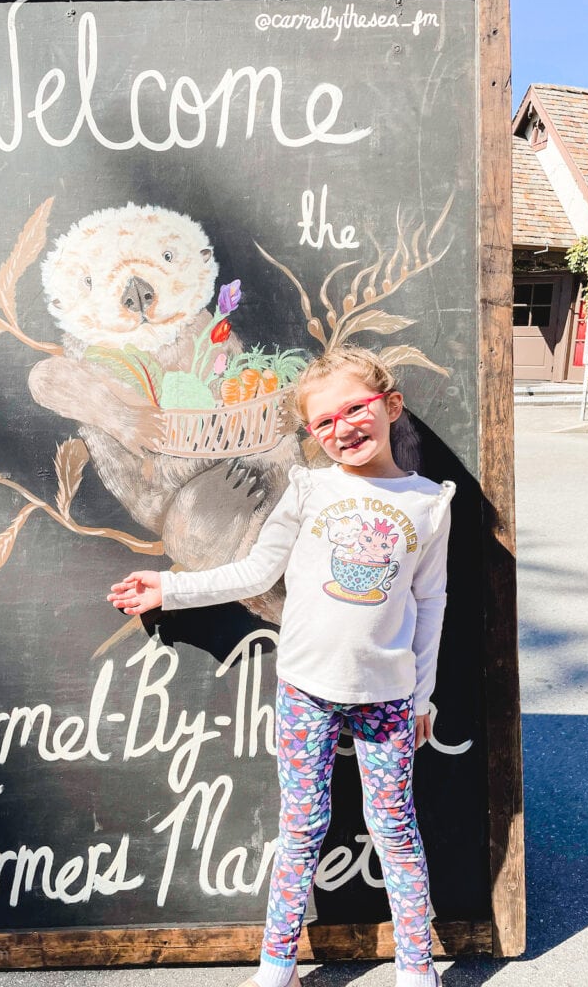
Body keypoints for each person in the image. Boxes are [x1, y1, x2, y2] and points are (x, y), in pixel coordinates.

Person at [107, 344, 455, 987]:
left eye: (356, 408)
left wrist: (424, 698)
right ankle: (277, 966)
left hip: (388, 699)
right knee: (300, 830)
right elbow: (257, 571)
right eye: (323, 421)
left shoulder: (429, 504)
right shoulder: (309, 489)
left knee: (396, 832)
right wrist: (170, 588)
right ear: (310, 434)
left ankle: (415, 967)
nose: (343, 427)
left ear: (391, 407)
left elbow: (430, 602)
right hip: (306, 692)